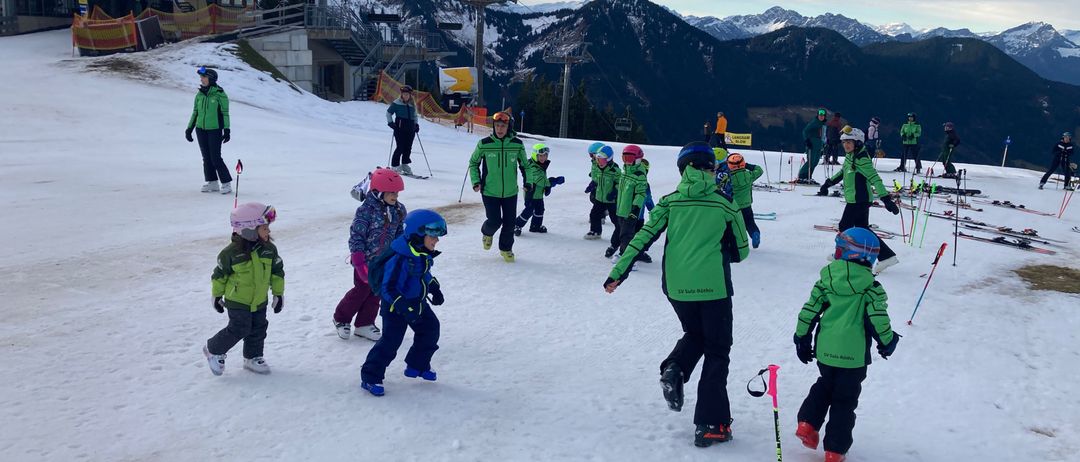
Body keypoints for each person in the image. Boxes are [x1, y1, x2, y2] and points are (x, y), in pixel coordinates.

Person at [604, 141, 750, 448]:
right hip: (714, 288)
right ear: (710, 168)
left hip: (677, 288)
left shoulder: (670, 202)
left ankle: (676, 368)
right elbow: (741, 250)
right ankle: (711, 424)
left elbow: (642, 237)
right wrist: (724, 251)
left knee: (695, 332)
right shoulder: (725, 203)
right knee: (717, 348)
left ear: (683, 170)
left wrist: (619, 273)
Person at [793, 227, 899, 462]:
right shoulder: (871, 288)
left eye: (838, 249)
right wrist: (888, 341)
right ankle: (834, 450)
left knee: (825, 385)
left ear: (848, 254)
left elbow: (809, 311)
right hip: (853, 357)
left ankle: (807, 423)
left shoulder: (826, 281)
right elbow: (878, 320)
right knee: (844, 400)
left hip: (826, 352)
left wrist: (802, 337)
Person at [360, 210, 447, 397]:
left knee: (431, 329)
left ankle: (418, 364)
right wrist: (403, 306)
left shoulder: (421, 253)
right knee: (391, 342)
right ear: (418, 233)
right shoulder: (401, 257)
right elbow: (388, 288)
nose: (437, 240)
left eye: (438, 235)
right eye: (433, 235)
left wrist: (434, 288)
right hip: (395, 308)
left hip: (417, 302)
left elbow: (423, 275)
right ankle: (370, 376)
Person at [203, 202, 284, 376]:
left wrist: (278, 294)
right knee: (239, 328)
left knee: (259, 328)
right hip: (238, 300)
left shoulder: (269, 250)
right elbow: (219, 275)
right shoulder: (230, 253)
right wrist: (216, 296)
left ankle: (252, 357)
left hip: (260, 299)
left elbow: (277, 272)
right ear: (249, 230)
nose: (268, 232)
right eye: (264, 228)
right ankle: (213, 349)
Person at [334, 168, 407, 341]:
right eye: (391, 193)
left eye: (397, 192)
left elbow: (399, 234)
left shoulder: (398, 210)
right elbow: (357, 236)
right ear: (378, 192)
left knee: (377, 292)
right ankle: (341, 318)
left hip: (385, 261)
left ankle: (364, 324)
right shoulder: (366, 211)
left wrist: (399, 254)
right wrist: (359, 261)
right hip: (365, 260)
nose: (395, 196)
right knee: (361, 290)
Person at [817, 128, 902, 274]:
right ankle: (887, 256)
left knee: (845, 226)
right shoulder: (851, 156)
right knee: (862, 229)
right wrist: (828, 184)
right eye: (844, 142)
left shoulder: (862, 159)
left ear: (857, 143)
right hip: (854, 199)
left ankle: (842, 256)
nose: (846, 145)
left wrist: (886, 199)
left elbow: (875, 178)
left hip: (860, 200)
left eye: (849, 142)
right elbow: (843, 172)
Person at [468, 111, 527, 262]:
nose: (500, 129)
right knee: (494, 221)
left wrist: (528, 182)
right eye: (497, 125)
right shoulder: (485, 144)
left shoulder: (517, 144)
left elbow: (526, 166)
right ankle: (487, 233)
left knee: (509, 223)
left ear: (509, 127)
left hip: (510, 192)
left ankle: (506, 249)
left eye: (503, 126)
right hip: (489, 191)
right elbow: (474, 163)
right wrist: (476, 181)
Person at [185, 67, 233, 194]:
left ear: (211, 78)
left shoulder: (220, 94)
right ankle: (212, 182)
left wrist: (227, 130)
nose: (201, 79)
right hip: (201, 129)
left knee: (215, 157)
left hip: (214, 130)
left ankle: (226, 183)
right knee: (206, 157)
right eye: (201, 77)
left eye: (204, 77)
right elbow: (195, 112)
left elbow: (225, 113)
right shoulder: (199, 95)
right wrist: (189, 129)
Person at [515, 143, 564, 235]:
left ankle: (535, 226)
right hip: (531, 194)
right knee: (529, 210)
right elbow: (540, 181)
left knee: (540, 210)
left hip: (538, 194)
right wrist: (554, 181)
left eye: (545, 155)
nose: (543, 158)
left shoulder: (540, 165)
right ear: (535, 155)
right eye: (540, 156)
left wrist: (548, 186)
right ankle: (516, 224)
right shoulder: (532, 167)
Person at [613, 145, 651, 262]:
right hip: (621, 210)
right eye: (625, 159)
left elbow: (641, 194)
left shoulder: (640, 175)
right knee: (622, 233)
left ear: (638, 159)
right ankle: (624, 253)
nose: (627, 162)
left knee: (627, 235)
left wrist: (635, 209)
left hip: (630, 212)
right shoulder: (625, 172)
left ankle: (628, 258)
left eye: (629, 159)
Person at [585, 145, 622, 257]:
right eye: (598, 159)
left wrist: (614, 192)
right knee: (594, 214)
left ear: (609, 159)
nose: (599, 162)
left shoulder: (615, 170)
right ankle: (595, 231)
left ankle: (621, 234)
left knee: (615, 219)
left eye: (602, 160)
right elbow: (596, 178)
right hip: (600, 198)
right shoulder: (598, 168)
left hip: (611, 200)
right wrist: (592, 184)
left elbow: (620, 183)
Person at [724, 153, 764, 248]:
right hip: (746, 205)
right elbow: (759, 169)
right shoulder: (749, 175)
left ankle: (734, 243)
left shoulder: (729, 178)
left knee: (732, 225)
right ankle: (755, 234)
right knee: (750, 223)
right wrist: (746, 165)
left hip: (733, 206)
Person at [386, 85, 420, 176]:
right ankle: (395, 166)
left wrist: (416, 125)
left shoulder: (412, 104)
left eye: (407, 94)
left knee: (408, 148)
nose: (405, 96)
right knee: (400, 147)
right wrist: (391, 123)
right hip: (399, 129)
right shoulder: (396, 103)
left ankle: (405, 164)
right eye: (404, 94)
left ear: (410, 95)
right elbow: (388, 113)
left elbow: (415, 115)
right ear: (401, 94)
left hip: (410, 129)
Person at [797, 109, 827, 183]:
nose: (821, 117)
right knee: (811, 161)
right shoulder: (814, 122)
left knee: (815, 162)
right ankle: (802, 175)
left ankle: (809, 176)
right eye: (820, 115)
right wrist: (807, 141)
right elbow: (805, 131)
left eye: (823, 116)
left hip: (819, 145)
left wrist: (824, 144)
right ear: (817, 115)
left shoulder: (823, 124)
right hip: (812, 144)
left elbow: (823, 136)